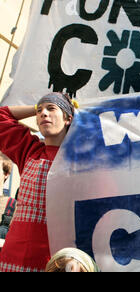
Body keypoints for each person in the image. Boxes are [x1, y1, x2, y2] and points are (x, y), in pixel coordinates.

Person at [0, 92, 78, 272]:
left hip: (55, 262)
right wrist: (34, 107)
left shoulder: (82, 160)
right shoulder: (29, 150)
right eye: (40, 111)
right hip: (12, 258)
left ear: (68, 118)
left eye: (51, 108)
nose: (43, 113)